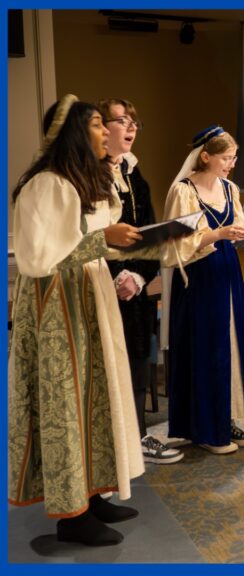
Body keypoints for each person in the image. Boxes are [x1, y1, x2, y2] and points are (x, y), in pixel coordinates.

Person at [9, 95, 145, 546]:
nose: (105, 130)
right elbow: (35, 258)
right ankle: (72, 514)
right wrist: (102, 240)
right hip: (57, 306)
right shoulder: (46, 183)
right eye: (94, 125)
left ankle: (95, 490)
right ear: (71, 132)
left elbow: (98, 231)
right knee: (67, 402)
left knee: (97, 392)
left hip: (88, 295)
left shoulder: (84, 178)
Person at [163, 126, 244, 454]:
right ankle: (207, 428)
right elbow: (180, 242)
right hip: (199, 275)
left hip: (227, 271)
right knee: (207, 347)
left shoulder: (230, 188)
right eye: (225, 157)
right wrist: (219, 235)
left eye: (234, 157)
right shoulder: (184, 191)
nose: (231, 163)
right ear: (205, 156)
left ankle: (232, 418)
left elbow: (239, 229)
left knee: (233, 343)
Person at [98, 98, 182, 464]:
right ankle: (109, 442)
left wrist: (137, 274)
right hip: (103, 286)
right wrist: (118, 276)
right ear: (102, 129)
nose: (131, 128)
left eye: (135, 122)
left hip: (136, 288)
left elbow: (149, 232)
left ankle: (140, 436)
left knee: (138, 360)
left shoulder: (136, 176)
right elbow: (91, 236)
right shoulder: (90, 175)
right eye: (121, 121)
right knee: (107, 367)